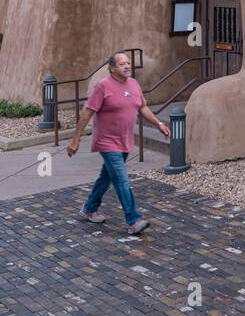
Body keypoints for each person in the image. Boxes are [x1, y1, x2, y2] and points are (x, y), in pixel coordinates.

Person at [66, 51, 169, 236]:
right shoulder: (103, 86)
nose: (127, 66)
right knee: (121, 178)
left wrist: (159, 124)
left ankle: (89, 208)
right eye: (122, 64)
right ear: (112, 68)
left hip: (125, 141)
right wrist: (76, 138)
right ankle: (133, 220)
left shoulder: (134, 84)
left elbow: (142, 107)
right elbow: (87, 113)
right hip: (107, 141)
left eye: (128, 63)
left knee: (107, 177)